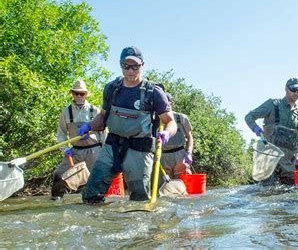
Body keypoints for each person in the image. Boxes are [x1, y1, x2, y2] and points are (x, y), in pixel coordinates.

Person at [78, 46, 177, 203]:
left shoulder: (154, 92)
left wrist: (167, 133)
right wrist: (89, 126)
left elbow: (170, 122)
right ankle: (99, 224)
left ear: (142, 66)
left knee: (140, 198)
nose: (130, 70)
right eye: (126, 66)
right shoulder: (112, 88)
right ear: (121, 65)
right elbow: (103, 116)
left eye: (135, 66)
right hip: (112, 146)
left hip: (140, 149)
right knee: (91, 193)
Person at [245, 78, 298, 185]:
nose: (296, 92)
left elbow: (294, 139)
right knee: (267, 196)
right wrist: (254, 127)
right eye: (293, 89)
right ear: (286, 89)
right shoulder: (272, 104)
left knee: (290, 197)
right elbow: (249, 116)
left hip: (288, 166)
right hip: (270, 163)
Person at [51, 80, 104, 199]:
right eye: (76, 93)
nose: (79, 96)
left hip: (94, 151)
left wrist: (102, 149)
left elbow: (103, 133)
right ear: (72, 94)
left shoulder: (95, 110)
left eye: (82, 94)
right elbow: (61, 134)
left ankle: (95, 205)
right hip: (75, 152)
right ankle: (55, 202)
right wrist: (65, 149)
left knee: (95, 181)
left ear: (86, 94)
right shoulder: (66, 112)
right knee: (59, 175)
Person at [160, 92, 194, 180]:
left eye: (167, 102)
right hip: (162, 155)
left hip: (180, 154)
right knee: (165, 185)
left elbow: (189, 136)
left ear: (171, 103)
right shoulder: (156, 119)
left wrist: (189, 153)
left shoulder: (181, 118)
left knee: (183, 183)